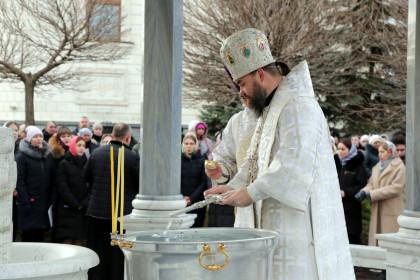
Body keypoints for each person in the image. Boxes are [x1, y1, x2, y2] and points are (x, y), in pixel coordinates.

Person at [205, 28, 354, 279]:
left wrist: (249, 193)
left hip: (301, 235)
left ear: (260, 74)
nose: (239, 91)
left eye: (242, 83)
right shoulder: (272, 108)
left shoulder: (298, 104)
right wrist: (234, 185)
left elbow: (292, 165)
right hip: (277, 235)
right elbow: (256, 162)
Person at [83, 123, 139, 280]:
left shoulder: (97, 153)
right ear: (128, 137)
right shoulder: (132, 157)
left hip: (96, 212)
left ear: (112, 135)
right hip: (121, 213)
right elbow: (139, 183)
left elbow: (86, 176)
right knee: (117, 255)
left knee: (97, 250)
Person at [355, 140, 405, 280]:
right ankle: (383, 270)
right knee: (379, 243)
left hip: (391, 211)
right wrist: (363, 191)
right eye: (378, 152)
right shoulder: (378, 166)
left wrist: (371, 194)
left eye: (382, 152)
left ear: (390, 152)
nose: (379, 154)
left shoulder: (399, 167)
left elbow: (396, 188)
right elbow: (372, 183)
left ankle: (389, 272)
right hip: (378, 210)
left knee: (390, 243)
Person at [206, 100, 259, 228]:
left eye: (244, 85)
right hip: (244, 209)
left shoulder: (284, 113)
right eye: (239, 87)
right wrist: (221, 171)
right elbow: (225, 158)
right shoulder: (237, 121)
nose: (241, 93)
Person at [16, 126, 55, 242]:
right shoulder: (22, 157)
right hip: (30, 202)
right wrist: (25, 201)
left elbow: (52, 178)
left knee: (40, 235)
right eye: (35, 137)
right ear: (29, 139)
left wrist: (52, 198)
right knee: (28, 235)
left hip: (44, 203)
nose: (39, 139)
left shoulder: (47, 156)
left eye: (40, 136)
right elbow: (20, 180)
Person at [54, 136, 89, 245]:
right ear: (73, 146)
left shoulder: (87, 163)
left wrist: (84, 203)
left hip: (82, 209)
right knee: (67, 239)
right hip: (67, 209)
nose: (81, 148)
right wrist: (74, 204)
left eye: (83, 146)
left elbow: (91, 185)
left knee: (79, 239)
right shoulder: (64, 164)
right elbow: (62, 187)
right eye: (79, 145)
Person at [334, 138, 367, 244]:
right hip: (337, 208)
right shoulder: (337, 164)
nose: (340, 152)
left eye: (343, 149)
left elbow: (361, 186)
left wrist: (345, 192)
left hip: (352, 210)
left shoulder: (358, 166)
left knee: (351, 239)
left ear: (350, 149)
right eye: (338, 149)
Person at [180, 134, 207, 227]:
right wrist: (182, 197)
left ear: (196, 145)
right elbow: (174, 181)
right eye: (186, 143)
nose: (189, 146)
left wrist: (192, 199)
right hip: (180, 202)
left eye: (191, 143)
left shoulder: (202, 161)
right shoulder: (178, 160)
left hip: (197, 203)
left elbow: (204, 183)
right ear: (183, 144)